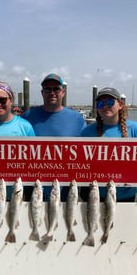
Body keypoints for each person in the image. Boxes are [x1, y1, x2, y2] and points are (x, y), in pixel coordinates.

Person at [22, 73, 87, 201]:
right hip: (34, 188)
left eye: (56, 89)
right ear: (42, 92)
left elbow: (86, 152)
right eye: (47, 89)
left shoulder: (77, 119)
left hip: (65, 190)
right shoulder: (27, 116)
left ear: (63, 92)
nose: (52, 92)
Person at [80, 86, 137, 202]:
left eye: (110, 102)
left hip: (125, 196)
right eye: (101, 104)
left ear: (120, 104)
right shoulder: (87, 132)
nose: (105, 106)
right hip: (94, 195)